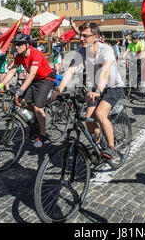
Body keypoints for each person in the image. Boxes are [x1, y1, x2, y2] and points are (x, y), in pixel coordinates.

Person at [50, 22, 125, 159]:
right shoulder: (81, 51)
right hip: (96, 88)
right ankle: (99, 145)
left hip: (112, 87)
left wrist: (98, 90)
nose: (81, 39)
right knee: (89, 118)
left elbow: (105, 71)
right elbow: (71, 70)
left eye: (86, 36)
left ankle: (112, 148)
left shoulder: (105, 50)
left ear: (95, 37)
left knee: (100, 114)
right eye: (80, 35)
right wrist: (59, 90)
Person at [0, 33, 56, 148]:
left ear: (27, 44)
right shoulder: (19, 56)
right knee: (20, 101)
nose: (16, 47)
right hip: (34, 79)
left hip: (46, 79)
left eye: (19, 44)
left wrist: (20, 89)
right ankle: (35, 120)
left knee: (37, 107)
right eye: (15, 44)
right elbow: (12, 71)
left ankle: (43, 134)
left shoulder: (36, 54)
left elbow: (32, 74)